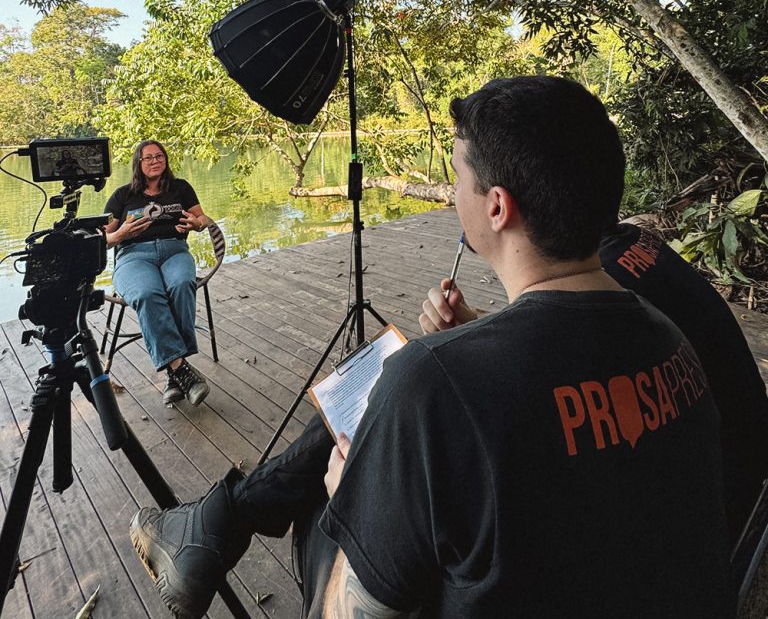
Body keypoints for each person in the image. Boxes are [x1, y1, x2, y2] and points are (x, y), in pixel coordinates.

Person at [129, 77, 733, 619]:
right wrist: (479, 330)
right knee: (394, 390)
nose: (452, 194)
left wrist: (355, 497)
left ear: (497, 207)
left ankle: (215, 526)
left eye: (458, 180)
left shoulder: (433, 383)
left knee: (364, 424)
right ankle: (215, 524)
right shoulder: (668, 336)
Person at [421, 221, 768, 548]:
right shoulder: (628, 244)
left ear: (499, 205)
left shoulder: (605, 297)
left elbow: (539, 352)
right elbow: (548, 326)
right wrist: (476, 324)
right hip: (742, 484)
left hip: (721, 530)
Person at [104, 139, 212, 407]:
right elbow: (102, 238)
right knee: (146, 293)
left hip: (174, 250)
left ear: (166, 160)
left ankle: (175, 374)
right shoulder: (122, 195)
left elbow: (204, 219)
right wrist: (121, 234)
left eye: (159, 156)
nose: (154, 161)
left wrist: (195, 224)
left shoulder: (181, 188)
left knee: (181, 284)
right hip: (133, 256)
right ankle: (180, 369)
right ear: (138, 164)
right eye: (148, 158)